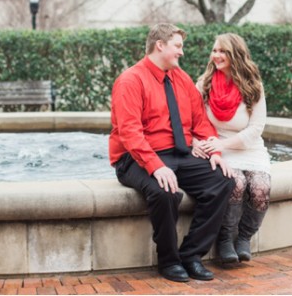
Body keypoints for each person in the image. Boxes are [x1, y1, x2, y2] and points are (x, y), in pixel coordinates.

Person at [109, 23, 235, 283]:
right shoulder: (130, 80)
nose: (182, 52)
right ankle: (168, 261)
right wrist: (156, 166)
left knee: (222, 181)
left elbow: (200, 120)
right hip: (135, 157)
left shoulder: (182, 79)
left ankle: (191, 255)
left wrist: (212, 148)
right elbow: (130, 133)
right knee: (165, 191)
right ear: (160, 45)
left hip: (178, 153)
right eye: (178, 46)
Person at [194, 33, 270, 265]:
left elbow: (256, 128)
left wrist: (224, 143)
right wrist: (196, 142)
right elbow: (191, 118)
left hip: (249, 148)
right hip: (218, 149)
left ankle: (244, 238)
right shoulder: (204, 84)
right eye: (215, 50)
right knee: (235, 183)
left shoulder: (252, 85)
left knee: (259, 189)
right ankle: (225, 239)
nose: (216, 55)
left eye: (222, 51)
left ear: (235, 54)